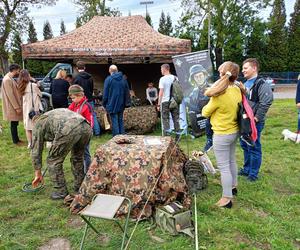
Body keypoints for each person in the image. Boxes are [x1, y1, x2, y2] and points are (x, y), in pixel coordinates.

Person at [202, 61, 242, 209]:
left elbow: (205, 112)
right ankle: (233, 186)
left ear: (222, 74)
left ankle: (226, 199)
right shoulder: (237, 89)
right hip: (235, 131)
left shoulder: (219, 95)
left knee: (224, 166)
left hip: (222, 133)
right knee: (232, 160)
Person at [31, 108, 92, 200]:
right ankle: (80, 185)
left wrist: (37, 173)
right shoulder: (51, 114)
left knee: (53, 160)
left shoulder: (38, 123)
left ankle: (60, 191)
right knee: (78, 158)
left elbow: (36, 150)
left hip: (69, 129)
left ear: (33, 120)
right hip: (85, 126)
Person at [239, 58, 273, 181]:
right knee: (244, 144)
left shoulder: (261, 83)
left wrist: (257, 117)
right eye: (243, 68)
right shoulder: (245, 83)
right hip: (244, 121)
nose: (243, 71)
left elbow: (266, 101)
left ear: (254, 68)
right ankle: (246, 169)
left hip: (255, 122)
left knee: (254, 146)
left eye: (245, 68)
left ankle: (253, 174)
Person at [186, 64, 213, 151]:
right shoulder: (193, 93)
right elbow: (196, 108)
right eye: (196, 77)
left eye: (200, 75)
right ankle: (209, 140)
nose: (199, 78)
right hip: (203, 116)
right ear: (193, 79)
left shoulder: (213, 87)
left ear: (205, 75)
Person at [68, 84, 93, 173]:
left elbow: (90, 122)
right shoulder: (74, 104)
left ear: (80, 95)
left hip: (85, 133)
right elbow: (68, 112)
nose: (72, 100)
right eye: (71, 98)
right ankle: (79, 170)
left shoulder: (86, 106)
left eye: (74, 97)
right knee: (77, 152)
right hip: (76, 132)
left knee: (85, 152)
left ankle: (88, 171)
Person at [73, 61, 101, 136]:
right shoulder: (90, 77)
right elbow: (92, 88)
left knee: (80, 116)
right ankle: (97, 133)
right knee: (92, 115)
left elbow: (75, 90)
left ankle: (83, 133)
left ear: (77, 68)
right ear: (84, 67)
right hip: (89, 98)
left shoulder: (76, 78)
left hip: (80, 100)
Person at [18, 69, 42, 148]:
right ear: (28, 76)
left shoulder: (20, 85)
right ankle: (36, 143)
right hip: (34, 108)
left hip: (26, 108)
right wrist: (34, 80)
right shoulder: (33, 85)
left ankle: (29, 143)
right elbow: (41, 94)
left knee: (27, 127)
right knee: (36, 125)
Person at [103, 65, 129, 136]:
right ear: (117, 70)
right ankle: (122, 135)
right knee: (120, 119)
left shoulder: (108, 79)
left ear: (109, 70)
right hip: (121, 103)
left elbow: (105, 93)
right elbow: (127, 92)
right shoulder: (123, 79)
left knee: (114, 120)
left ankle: (116, 138)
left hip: (112, 103)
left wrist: (104, 103)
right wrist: (127, 103)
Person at [1, 63, 24, 145]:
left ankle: (17, 139)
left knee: (15, 122)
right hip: (11, 106)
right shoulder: (7, 79)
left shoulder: (10, 78)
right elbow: (10, 95)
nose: (19, 71)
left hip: (13, 105)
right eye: (18, 70)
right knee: (13, 123)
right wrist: (17, 107)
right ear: (14, 70)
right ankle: (15, 141)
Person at [157, 64, 180, 139]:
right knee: (176, 119)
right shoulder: (175, 78)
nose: (161, 71)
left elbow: (161, 92)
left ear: (164, 69)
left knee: (165, 119)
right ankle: (178, 136)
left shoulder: (162, 79)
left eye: (161, 69)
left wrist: (158, 104)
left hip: (165, 102)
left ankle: (167, 137)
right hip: (175, 101)